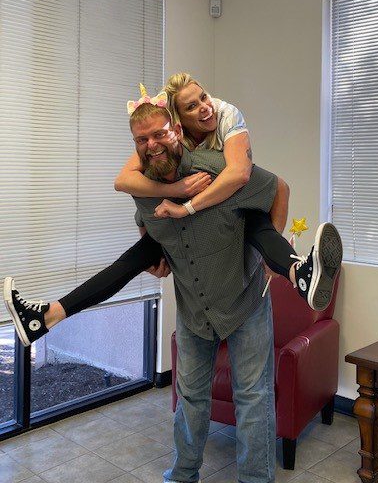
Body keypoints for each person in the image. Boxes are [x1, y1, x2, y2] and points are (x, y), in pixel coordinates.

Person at [4, 100, 341, 483]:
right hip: (195, 308)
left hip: (243, 301)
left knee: (254, 397)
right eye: (141, 139)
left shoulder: (217, 168)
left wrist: (270, 252)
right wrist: (156, 253)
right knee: (190, 396)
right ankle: (182, 474)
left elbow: (278, 187)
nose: (151, 145)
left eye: (159, 134)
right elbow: (142, 219)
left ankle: (297, 270)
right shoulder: (143, 188)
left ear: (177, 131)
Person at [115, 74, 341, 310]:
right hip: (203, 243)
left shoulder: (226, 114)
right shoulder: (166, 139)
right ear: (178, 123)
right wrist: (175, 190)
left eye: (204, 97)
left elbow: (243, 176)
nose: (205, 107)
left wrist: (271, 258)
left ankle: (300, 274)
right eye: (192, 106)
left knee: (254, 220)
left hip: (238, 207)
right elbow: (122, 181)